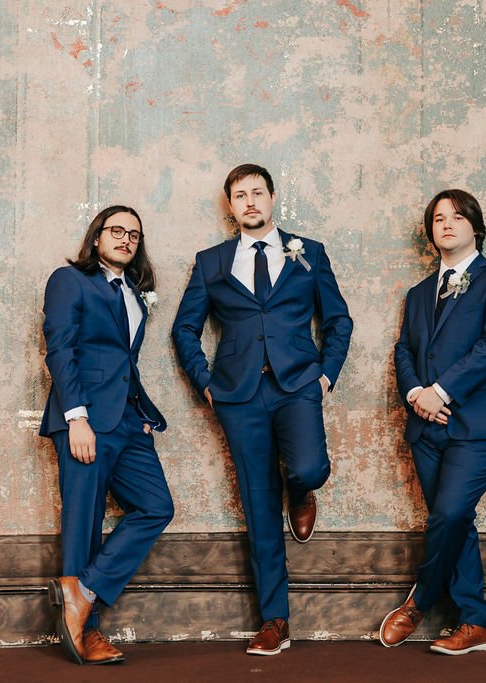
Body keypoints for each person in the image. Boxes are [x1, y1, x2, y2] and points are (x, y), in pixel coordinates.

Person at [172, 164, 353, 655]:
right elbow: (184, 329)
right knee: (257, 504)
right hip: (238, 395)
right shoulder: (210, 262)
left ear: (272, 197)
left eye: (257, 192)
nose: (249, 201)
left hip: (297, 386)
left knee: (310, 468)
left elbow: (338, 320)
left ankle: (301, 491)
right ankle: (275, 619)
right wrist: (206, 383)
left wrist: (326, 373)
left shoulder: (309, 253)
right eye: (239, 195)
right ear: (230, 206)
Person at [379, 189, 486, 655]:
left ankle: (419, 599)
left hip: (481, 423)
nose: (447, 224)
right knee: (457, 519)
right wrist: (415, 394)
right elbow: (405, 350)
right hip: (425, 426)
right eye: (439, 218)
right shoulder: (419, 293)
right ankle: (476, 622)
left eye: (457, 216)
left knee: (450, 513)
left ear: (475, 226)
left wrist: (440, 391)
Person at [40, 205, 174, 665]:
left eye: (134, 234)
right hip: (85, 418)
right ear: (97, 237)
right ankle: (87, 633)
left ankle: (84, 591)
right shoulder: (69, 280)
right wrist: (76, 417)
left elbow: (123, 361)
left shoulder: (135, 293)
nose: (126, 239)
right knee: (84, 522)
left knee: (156, 506)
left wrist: (138, 412)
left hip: (126, 421)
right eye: (116, 230)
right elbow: (59, 348)